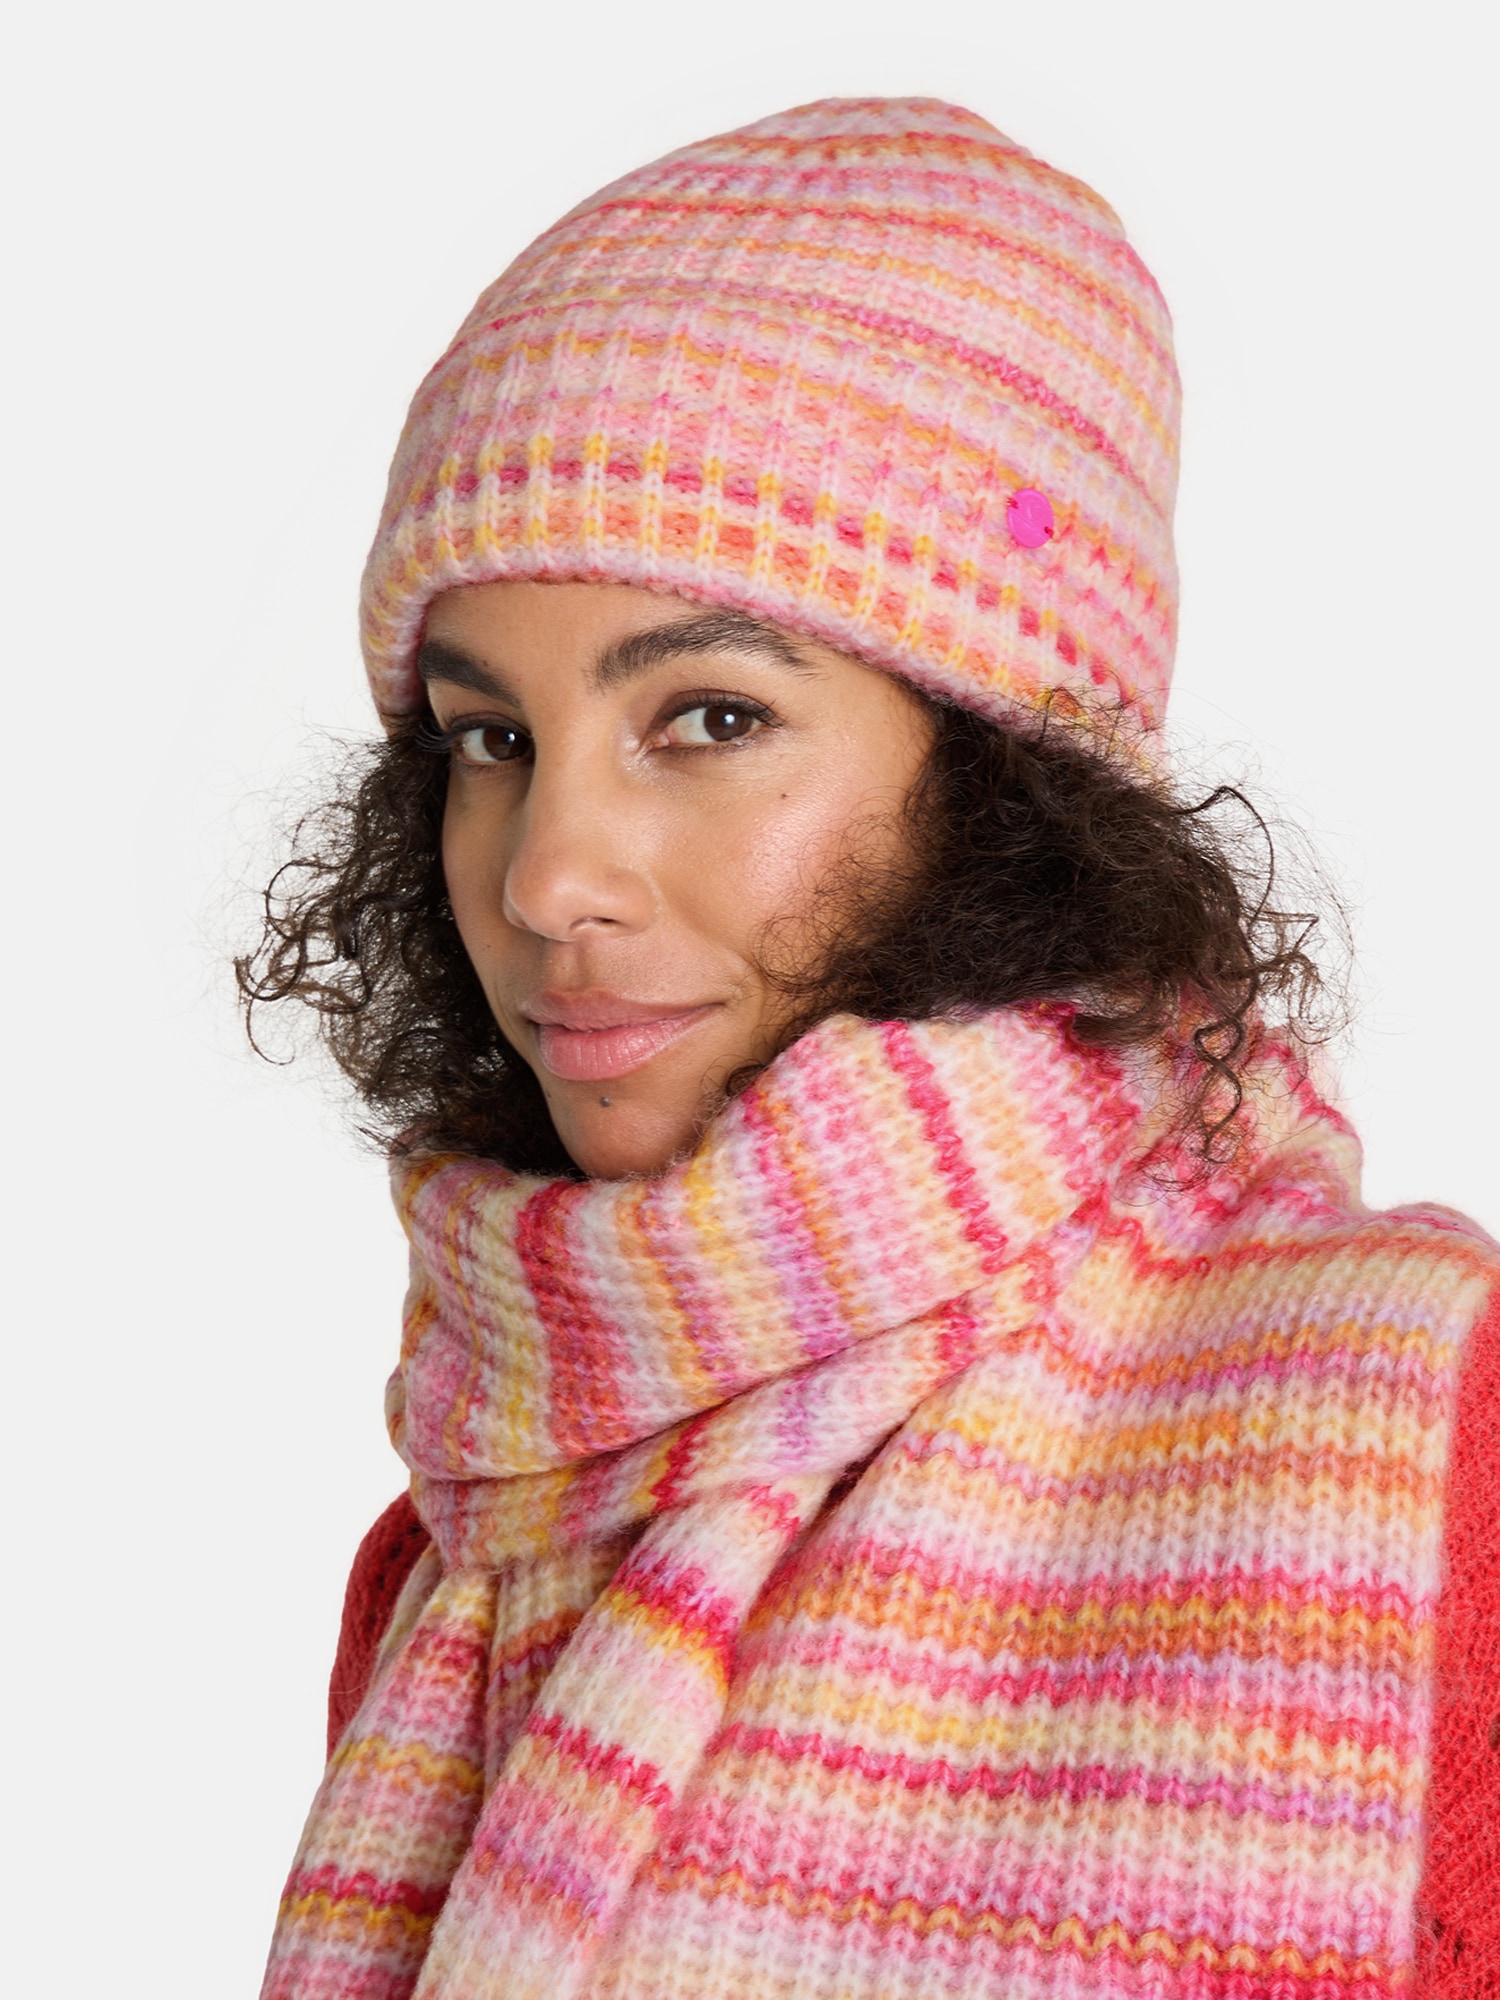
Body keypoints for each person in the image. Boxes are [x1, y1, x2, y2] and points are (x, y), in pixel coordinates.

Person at [242, 98, 1499, 2000]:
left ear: (1005, 768)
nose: (547, 874)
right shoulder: (458, 1554)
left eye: (710, 718)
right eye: (491, 740)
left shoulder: (1424, 1437)